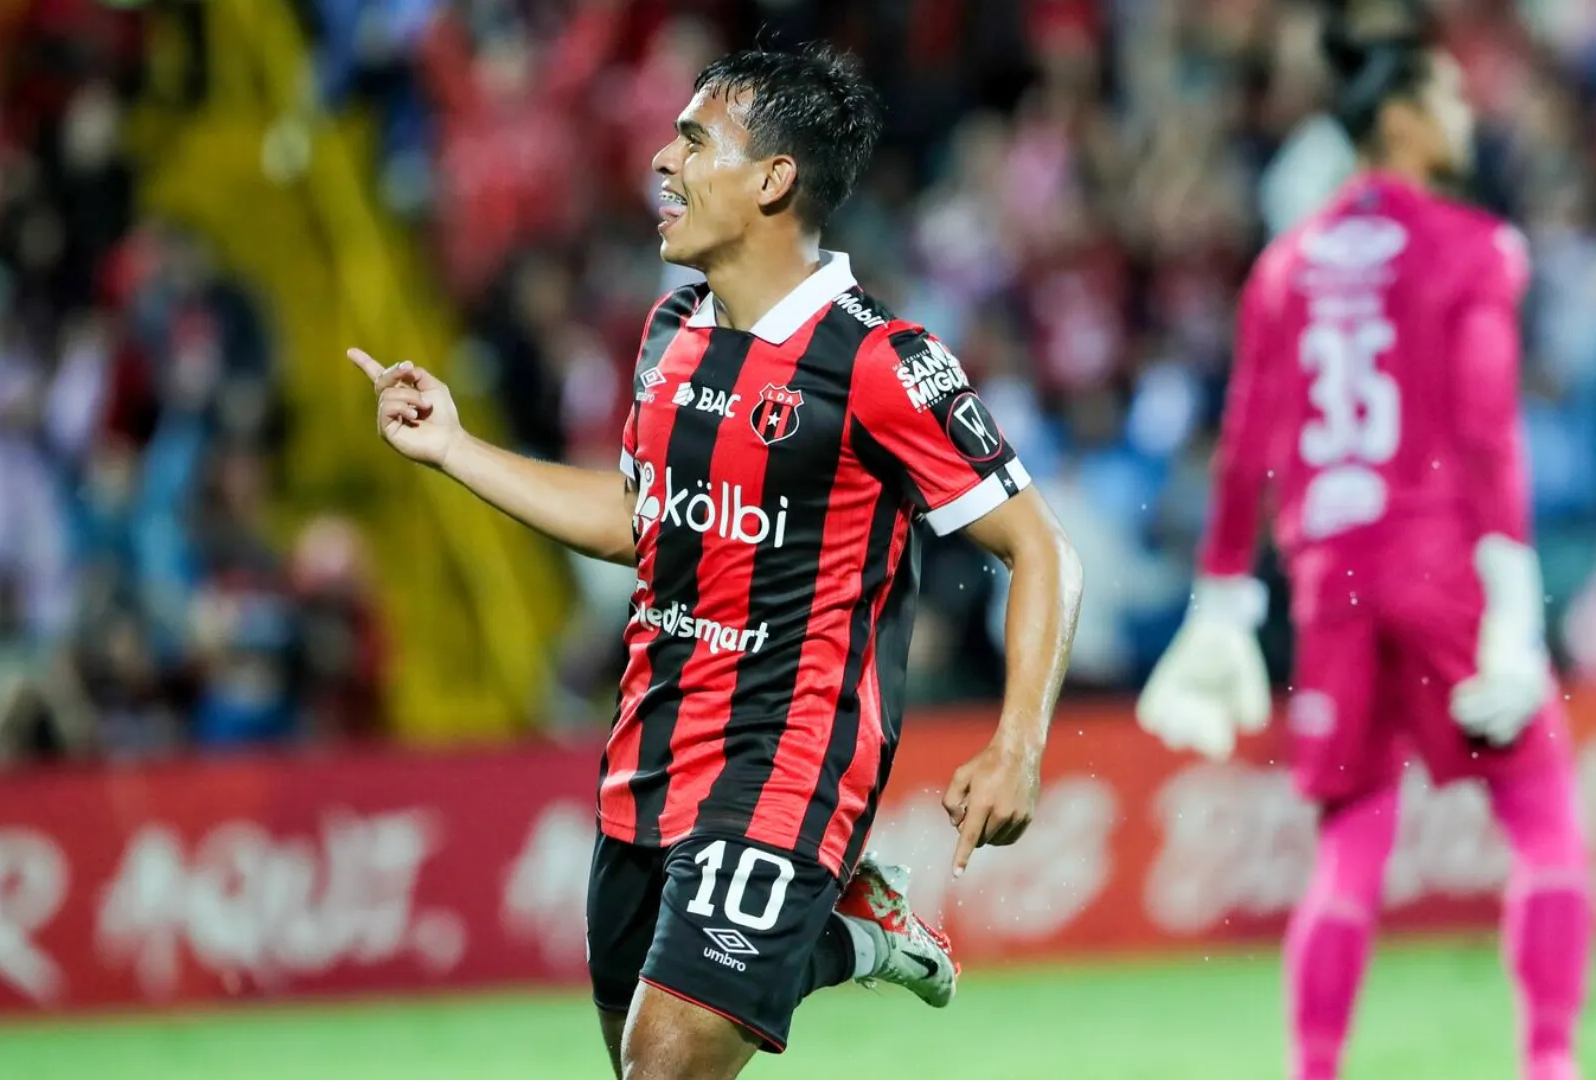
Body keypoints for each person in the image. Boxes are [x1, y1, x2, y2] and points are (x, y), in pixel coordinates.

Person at [348, 44, 1082, 1080]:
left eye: (693, 140)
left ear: (774, 179)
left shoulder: (879, 361)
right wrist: (455, 448)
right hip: (647, 755)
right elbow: (638, 520)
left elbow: (1041, 550)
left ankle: (845, 925)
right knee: (646, 1065)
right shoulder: (669, 334)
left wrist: (1018, 744)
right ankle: (854, 931)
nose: (660, 159)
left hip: (788, 762)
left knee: (664, 1062)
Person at [1135, 11, 1592, 1080]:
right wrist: (1516, 613)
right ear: (1398, 119)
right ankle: (1550, 1060)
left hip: (1323, 574)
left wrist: (1221, 603)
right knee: (1540, 812)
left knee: (1349, 842)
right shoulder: (1473, 246)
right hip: (1437, 563)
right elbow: (1486, 432)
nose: (1466, 110)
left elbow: (1244, 447)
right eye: (1446, 95)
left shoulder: (1284, 265)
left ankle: (1314, 1068)